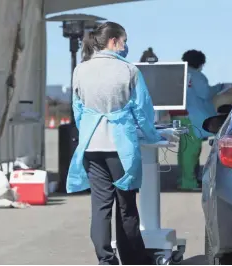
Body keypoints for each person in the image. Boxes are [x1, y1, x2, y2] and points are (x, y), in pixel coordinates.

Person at [67, 22, 165, 265]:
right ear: (113, 41)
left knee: (100, 208)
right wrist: (154, 137)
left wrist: (89, 129)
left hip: (91, 145)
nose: (125, 46)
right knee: (126, 207)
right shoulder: (129, 71)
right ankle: (134, 260)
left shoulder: (80, 70)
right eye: (124, 40)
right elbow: (142, 111)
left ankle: (105, 260)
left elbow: (78, 109)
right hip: (119, 147)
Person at [171, 50, 223, 190]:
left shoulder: (179, 74)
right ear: (200, 63)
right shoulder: (196, 75)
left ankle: (184, 179)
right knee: (191, 151)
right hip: (192, 117)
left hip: (180, 115)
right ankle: (189, 182)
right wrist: (220, 87)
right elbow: (205, 93)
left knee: (184, 150)